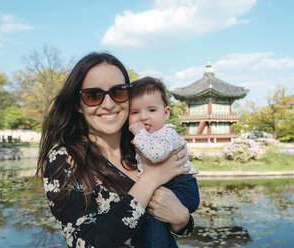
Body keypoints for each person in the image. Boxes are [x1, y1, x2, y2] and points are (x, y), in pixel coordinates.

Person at [36, 52, 194, 248]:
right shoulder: (65, 159)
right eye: (93, 96)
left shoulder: (143, 146)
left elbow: (177, 218)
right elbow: (86, 242)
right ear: (78, 104)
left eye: (118, 92)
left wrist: (182, 219)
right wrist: (151, 178)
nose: (109, 104)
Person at [128, 77, 199, 248]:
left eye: (151, 110)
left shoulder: (166, 134)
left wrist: (139, 133)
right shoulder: (147, 137)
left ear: (166, 113)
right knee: (151, 222)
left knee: (153, 218)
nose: (143, 117)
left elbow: (156, 154)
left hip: (182, 186)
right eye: (135, 112)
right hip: (170, 186)